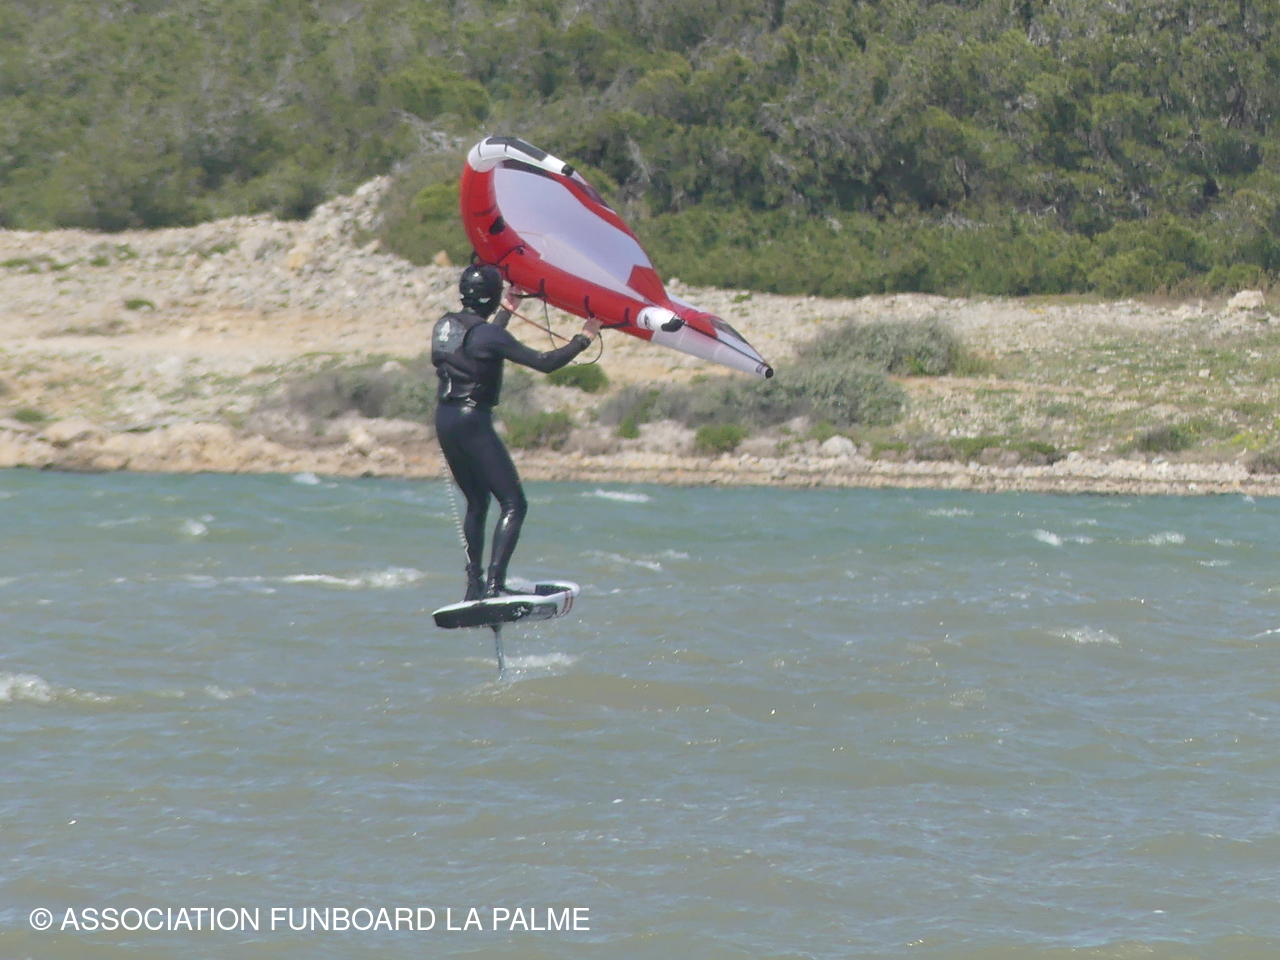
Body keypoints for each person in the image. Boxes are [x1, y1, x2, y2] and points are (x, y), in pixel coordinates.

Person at [432, 263, 601, 601]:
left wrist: (507, 311)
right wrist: (584, 337)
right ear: (493, 296)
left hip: (445, 419)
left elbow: (480, 344)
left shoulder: (446, 325)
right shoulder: (487, 334)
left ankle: (474, 586)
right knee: (513, 504)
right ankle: (496, 585)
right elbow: (545, 362)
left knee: (477, 502)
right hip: (473, 420)